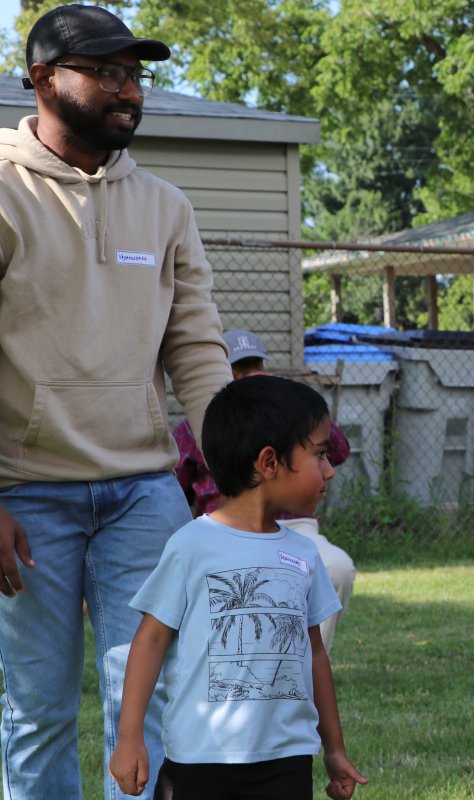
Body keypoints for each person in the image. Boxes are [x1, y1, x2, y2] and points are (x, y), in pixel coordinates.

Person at [0, 6, 232, 798]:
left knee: (153, 699)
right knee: (38, 709)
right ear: (43, 80)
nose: (128, 90)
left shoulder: (165, 207)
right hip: (26, 495)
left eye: (134, 75)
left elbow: (196, 347)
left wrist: (238, 472)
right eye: (106, 72)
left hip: (142, 493)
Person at [109, 375, 367, 799]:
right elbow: (151, 639)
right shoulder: (191, 545)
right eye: (320, 454)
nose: (330, 470)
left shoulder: (303, 554)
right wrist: (130, 737)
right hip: (199, 764)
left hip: (287, 762)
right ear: (269, 462)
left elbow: (315, 654)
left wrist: (334, 749)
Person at [173, 328, 357, 651]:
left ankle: (304, 665)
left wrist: (286, 402)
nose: (250, 375)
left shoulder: (289, 418)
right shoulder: (197, 425)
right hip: (227, 529)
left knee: (336, 567)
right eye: (240, 369)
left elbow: (338, 450)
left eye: (256, 365)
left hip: (293, 525)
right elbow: (177, 489)